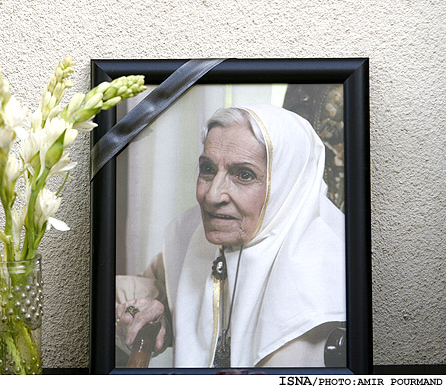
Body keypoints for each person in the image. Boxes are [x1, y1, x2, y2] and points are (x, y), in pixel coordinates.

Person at [115, 104, 346, 368]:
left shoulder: (333, 268)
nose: (212, 196)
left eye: (244, 174)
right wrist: (153, 315)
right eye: (208, 169)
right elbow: (133, 294)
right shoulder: (191, 237)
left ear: (287, 185)